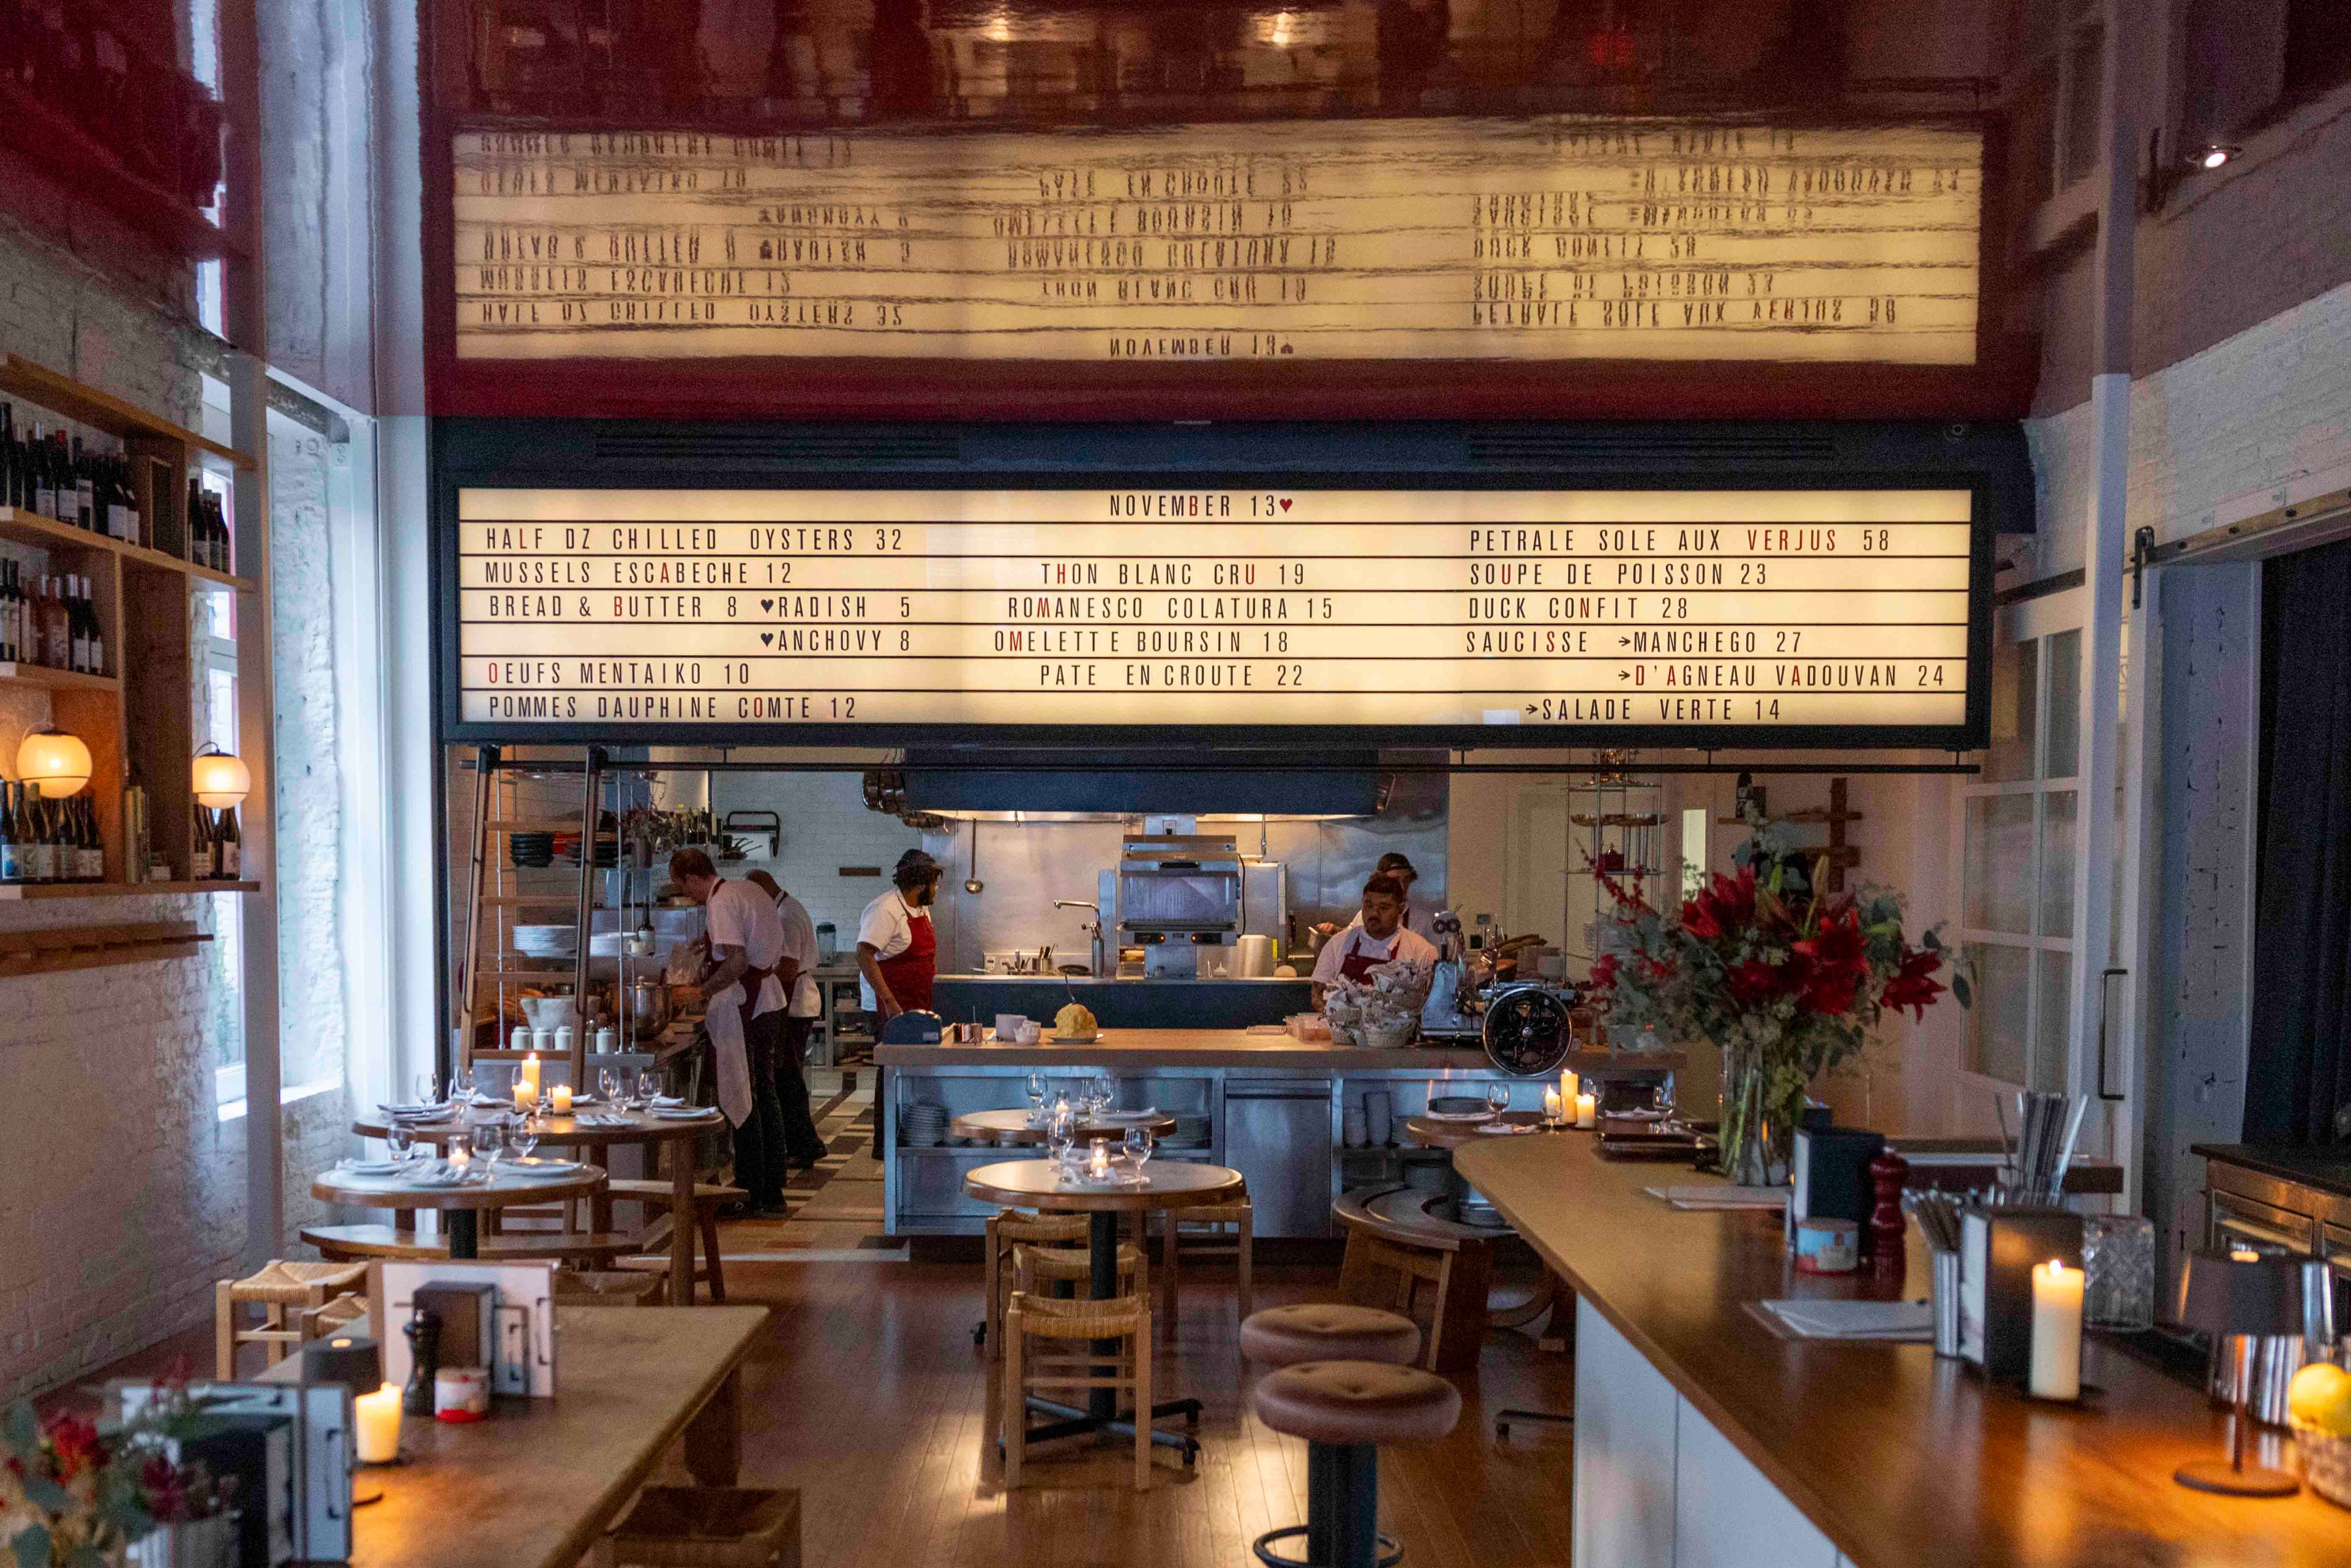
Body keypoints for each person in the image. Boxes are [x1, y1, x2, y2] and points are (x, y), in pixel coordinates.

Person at [670, 848, 792, 1216]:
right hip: (771, 1001)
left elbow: (738, 961)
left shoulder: (720, 901)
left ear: (694, 878)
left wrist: (700, 991)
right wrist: (706, 945)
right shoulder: (747, 890)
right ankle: (772, 1187)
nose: (688, 895)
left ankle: (751, 1188)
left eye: (684, 887)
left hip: (749, 1006)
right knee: (765, 1093)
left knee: (746, 1093)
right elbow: (751, 943)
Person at [744, 869, 830, 1172]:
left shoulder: (786, 915)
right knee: (787, 1077)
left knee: (788, 1078)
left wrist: (778, 1019)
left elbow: (789, 971)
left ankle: (805, 1145)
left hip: (793, 1008)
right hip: (793, 1006)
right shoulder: (785, 908)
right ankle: (803, 1143)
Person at [858, 848, 942, 1157]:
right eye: (934, 884)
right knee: (891, 1074)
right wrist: (890, 1002)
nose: (936, 890)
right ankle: (885, 1145)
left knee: (911, 1073)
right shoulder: (885, 910)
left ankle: (906, 1139)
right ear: (920, 884)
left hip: (917, 1005)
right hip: (891, 1008)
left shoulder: (919, 908)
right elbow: (864, 954)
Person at [1311, 871, 1439, 1008]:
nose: (1374, 914)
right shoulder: (1338, 944)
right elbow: (1318, 998)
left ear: (1400, 909)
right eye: (1369, 905)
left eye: (1384, 908)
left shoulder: (1422, 952)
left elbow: (1432, 1006)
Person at [1321, 852, 1440, 944]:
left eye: (1406, 880)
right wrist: (1335, 931)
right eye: (1396, 880)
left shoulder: (1423, 920)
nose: (1403, 887)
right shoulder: (1366, 916)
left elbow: (1443, 958)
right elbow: (1350, 937)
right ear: (1381, 880)